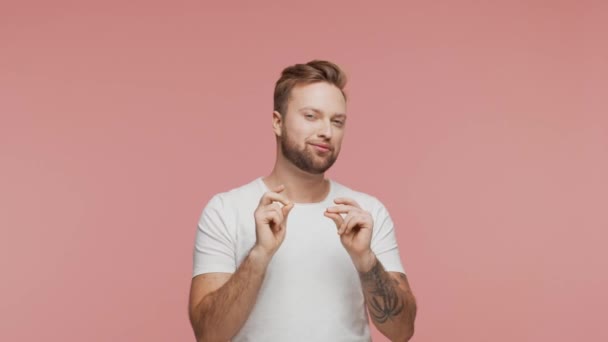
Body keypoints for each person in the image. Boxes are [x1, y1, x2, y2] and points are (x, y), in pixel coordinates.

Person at [188, 60, 417, 341]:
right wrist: (259, 254)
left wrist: (366, 260)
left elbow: (402, 331)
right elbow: (208, 335)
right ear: (277, 122)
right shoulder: (225, 210)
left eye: (337, 121)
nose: (326, 132)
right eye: (311, 116)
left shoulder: (367, 213)